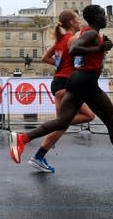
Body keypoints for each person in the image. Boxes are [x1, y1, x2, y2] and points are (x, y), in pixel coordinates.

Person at [9, 5, 113, 180]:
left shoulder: (90, 34)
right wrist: (99, 49)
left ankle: (22, 139)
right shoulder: (89, 33)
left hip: (77, 81)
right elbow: (75, 49)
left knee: (63, 122)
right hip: (86, 82)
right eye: (102, 15)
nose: (105, 18)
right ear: (95, 18)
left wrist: (102, 46)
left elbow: (74, 53)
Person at [28, 9, 95, 173]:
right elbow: (81, 61)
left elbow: (45, 57)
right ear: (72, 22)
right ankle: (34, 147)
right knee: (87, 116)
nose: (80, 22)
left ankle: (38, 157)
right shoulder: (73, 39)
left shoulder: (59, 40)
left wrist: (59, 65)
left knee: (61, 125)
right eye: (77, 20)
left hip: (58, 83)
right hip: (67, 83)